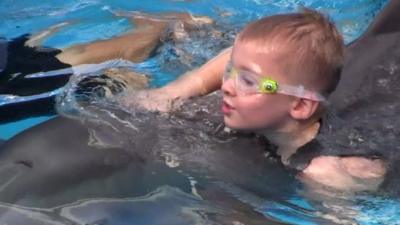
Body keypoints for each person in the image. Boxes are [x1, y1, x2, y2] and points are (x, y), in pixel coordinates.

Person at [124, 8, 387, 191]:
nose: (226, 86)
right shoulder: (276, 104)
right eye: (231, 73)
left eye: (247, 82)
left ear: (300, 105)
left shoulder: (325, 170)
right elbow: (236, 56)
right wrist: (176, 89)